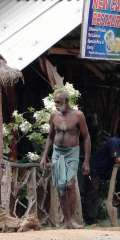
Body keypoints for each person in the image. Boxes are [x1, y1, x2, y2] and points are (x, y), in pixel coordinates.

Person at [40, 88, 91, 229]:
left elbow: (86, 138)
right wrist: (44, 156)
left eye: (58, 102)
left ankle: (73, 219)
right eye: (55, 102)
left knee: (70, 184)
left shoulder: (78, 115)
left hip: (72, 153)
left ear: (66, 101)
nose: (55, 104)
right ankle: (67, 221)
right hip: (57, 153)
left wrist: (86, 161)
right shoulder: (54, 116)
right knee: (61, 186)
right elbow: (50, 137)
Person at [82, 127, 120, 225]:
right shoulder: (113, 142)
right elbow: (117, 160)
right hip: (95, 170)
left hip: (106, 170)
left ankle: (119, 198)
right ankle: (90, 221)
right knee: (92, 193)